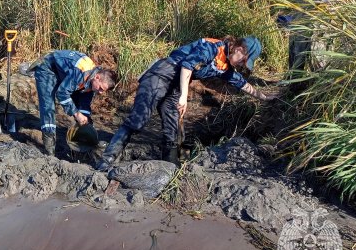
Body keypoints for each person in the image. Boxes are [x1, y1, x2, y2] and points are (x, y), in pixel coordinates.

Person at [96, 36, 274, 172]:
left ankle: (170, 168)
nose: (242, 64)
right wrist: (183, 96)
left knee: (172, 127)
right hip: (161, 74)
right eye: (243, 60)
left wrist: (265, 98)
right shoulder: (212, 48)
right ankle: (106, 161)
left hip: (176, 84)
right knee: (138, 120)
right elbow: (187, 66)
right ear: (239, 49)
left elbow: (241, 83)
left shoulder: (225, 66)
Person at [32, 50, 116, 156]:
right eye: (100, 88)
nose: (100, 92)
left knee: (80, 106)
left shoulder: (92, 80)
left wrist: (85, 119)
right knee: (48, 106)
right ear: (97, 77)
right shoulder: (81, 72)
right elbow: (62, 93)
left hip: (63, 72)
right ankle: (49, 149)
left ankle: (79, 146)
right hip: (47, 69)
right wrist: (76, 114)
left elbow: (84, 101)